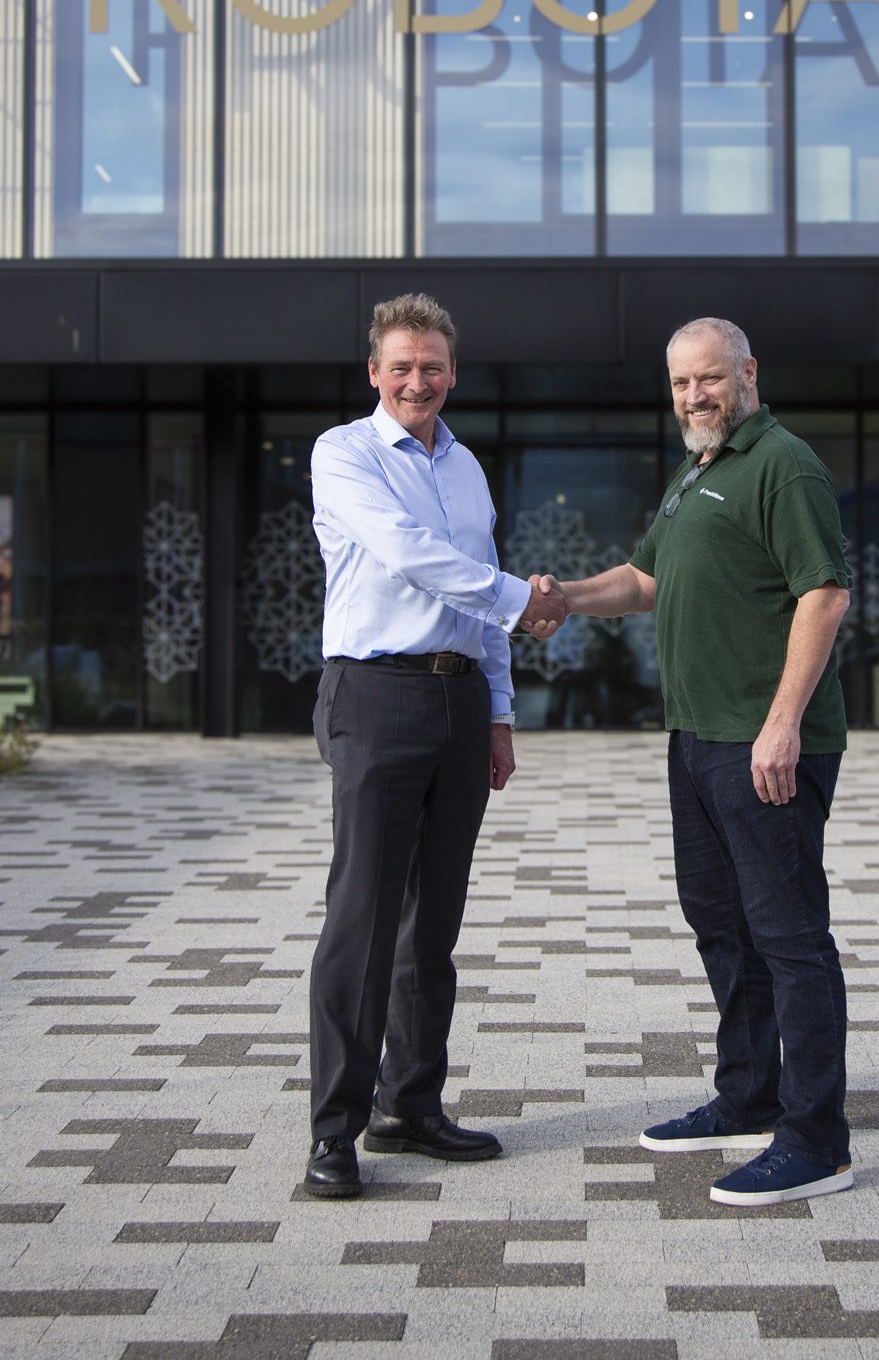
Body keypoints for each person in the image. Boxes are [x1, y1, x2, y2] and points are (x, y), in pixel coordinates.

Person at [546, 316, 855, 1207]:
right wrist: (561, 597)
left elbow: (824, 594)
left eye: (709, 379)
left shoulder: (782, 464)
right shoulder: (698, 470)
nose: (694, 396)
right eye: (681, 383)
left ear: (748, 373)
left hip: (764, 745)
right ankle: (750, 1093)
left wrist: (782, 722)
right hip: (697, 740)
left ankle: (817, 1137)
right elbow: (644, 582)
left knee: (791, 937)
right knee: (722, 924)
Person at [301, 292, 569, 1200]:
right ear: (373, 371)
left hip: (458, 705)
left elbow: (477, 605)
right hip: (374, 696)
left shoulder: (467, 468)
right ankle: (334, 1133)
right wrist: (516, 595)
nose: (418, 380)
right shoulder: (342, 454)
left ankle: (408, 1105)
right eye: (401, 365)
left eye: (433, 366)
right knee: (363, 918)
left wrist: (498, 713)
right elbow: (406, 551)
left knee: (434, 923)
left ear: (452, 373)